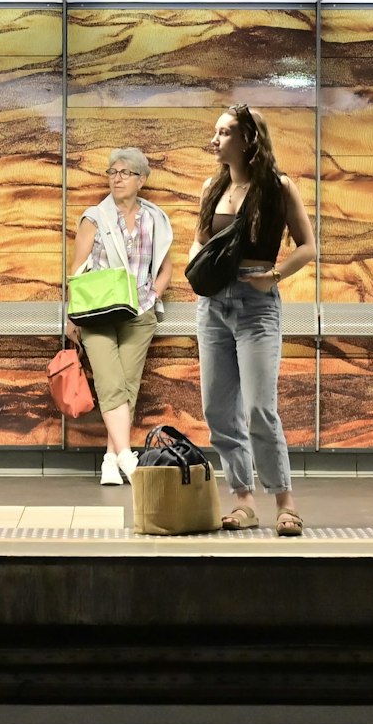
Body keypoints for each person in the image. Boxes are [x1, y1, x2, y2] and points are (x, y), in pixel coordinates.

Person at [192, 104, 318, 536]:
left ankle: (285, 501)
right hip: (212, 307)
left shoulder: (277, 187)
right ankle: (243, 499)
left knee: (260, 408)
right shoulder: (213, 186)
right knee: (217, 410)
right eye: (216, 132)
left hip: (256, 305)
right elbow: (201, 243)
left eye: (225, 132)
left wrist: (275, 276)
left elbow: (308, 246)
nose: (216, 139)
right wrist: (197, 270)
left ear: (249, 140)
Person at [65, 148, 175, 485]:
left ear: (141, 180)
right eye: (113, 172)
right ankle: (128, 456)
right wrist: (71, 315)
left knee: (127, 384)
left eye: (125, 172)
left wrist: (152, 295)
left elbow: (166, 267)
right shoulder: (94, 218)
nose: (117, 177)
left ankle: (110, 460)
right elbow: (77, 270)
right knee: (111, 383)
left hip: (139, 314)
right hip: (98, 313)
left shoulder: (155, 218)